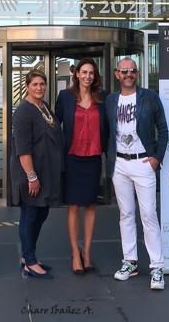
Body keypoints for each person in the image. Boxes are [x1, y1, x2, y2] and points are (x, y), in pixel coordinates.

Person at [105, 57, 168, 290]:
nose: (129, 74)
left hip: (143, 163)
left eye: (132, 71)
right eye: (124, 71)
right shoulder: (111, 100)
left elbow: (163, 129)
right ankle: (130, 261)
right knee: (126, 214)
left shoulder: (149, 97)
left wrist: (157, 159)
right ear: (116, 74)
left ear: (137, 74)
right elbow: (107, 132)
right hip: (119, 165)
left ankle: (157, 267)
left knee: (149, 214)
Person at [55, 58, 106, 275]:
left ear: (95, 76)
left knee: (91, 206)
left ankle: (87, 254)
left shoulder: (102, 97)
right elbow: (55, 127)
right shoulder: (65, 97)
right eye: (84, 72)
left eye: (91, 73)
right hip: (72, 157)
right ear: (76, 74)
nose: (87, 76)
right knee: (74, 206)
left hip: (94, 157)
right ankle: (75, 253)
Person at [10, 70, 63, 279]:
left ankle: (28, 256)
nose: (39, 88)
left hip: (46, 172)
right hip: (30, 173)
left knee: (41, 214)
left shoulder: (44, 107)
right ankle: (30, 262)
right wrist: (32, 176)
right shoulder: (24, 111)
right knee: (30, 215)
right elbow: (23, 148)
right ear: (27, 86)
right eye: (35, 84)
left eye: (42, 84)